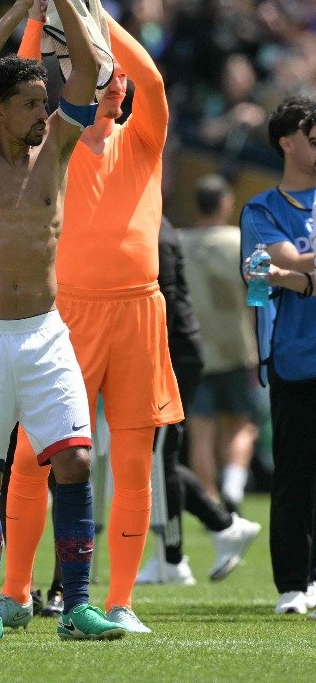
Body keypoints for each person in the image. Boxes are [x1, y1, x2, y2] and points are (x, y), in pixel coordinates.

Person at [0, 0, 124, 643]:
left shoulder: (57, 152)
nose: (45, 114)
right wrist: (20, 8)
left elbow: (87, 72)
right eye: (29, 104)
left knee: (75, 458)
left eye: (46, 104)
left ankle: (76, 605)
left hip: (45, 333)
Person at [0, 0, 181, 634]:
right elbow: (19, 75)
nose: (109, 83)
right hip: (66, 313)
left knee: (133, 459)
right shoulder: (55, 137)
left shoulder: (143, 139)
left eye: (115, 77)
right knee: (33, 453)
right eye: (96, 74)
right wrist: (48, 7)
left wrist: (93, 6)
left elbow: (155, 84)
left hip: (139, 312)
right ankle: (15, 593)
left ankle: (120, 602)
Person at [136, 217, 260, 588]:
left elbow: (167, 299)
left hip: (173, 353)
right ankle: (222, 526)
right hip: (185, 351)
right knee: (161, 456)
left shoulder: (156, 227)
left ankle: (174, 557)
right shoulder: (158, 223)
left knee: (161, 456)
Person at [239, 97, 316, 616]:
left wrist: (293, 270)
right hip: (294, 356)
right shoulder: (261, 209)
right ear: (287, 142)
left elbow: (290, 266)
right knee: (294, 475)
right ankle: (293, 584)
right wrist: (291, 271)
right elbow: (275, 266)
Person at [180, 175, 261, 509]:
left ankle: (210, 500)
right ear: (226, 203)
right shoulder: (241, 241)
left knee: (201, 432)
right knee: (244, 424)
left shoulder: (179, 242)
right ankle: (234, 485)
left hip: (195, 350)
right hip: (237, 348)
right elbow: (258, 296)